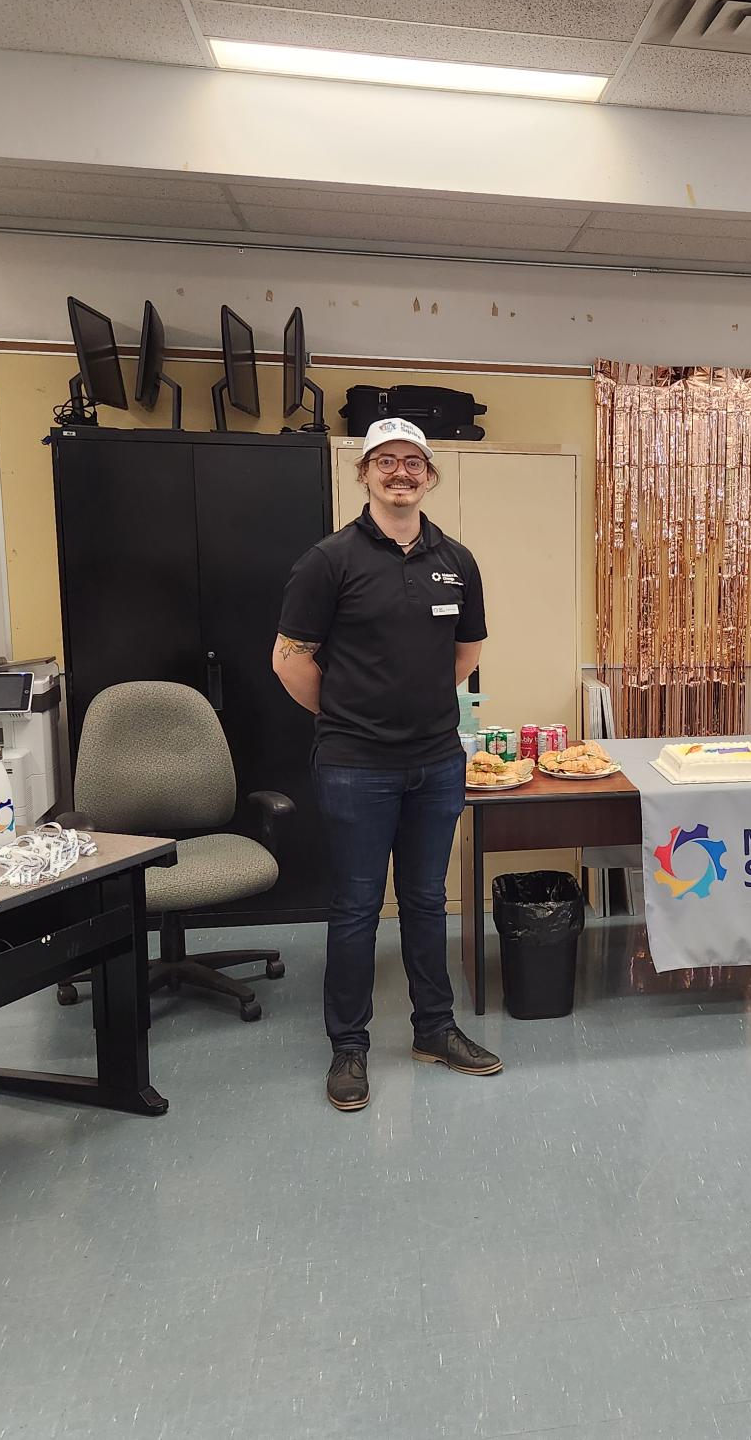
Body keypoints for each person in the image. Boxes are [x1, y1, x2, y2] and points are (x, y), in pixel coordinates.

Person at [274, 417, 503, 1113]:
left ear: (429, 475)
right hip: (355, 766)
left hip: (436, 762)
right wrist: (352, 716)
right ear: (365, 472)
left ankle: (434, 1029)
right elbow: (290, 659)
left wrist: (418, 708)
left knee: (429, 900)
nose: (400, 473)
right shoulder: (329, 560)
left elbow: (466, 653)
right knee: (357, 907)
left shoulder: (455, 560)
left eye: (413, 462)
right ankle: (349, 1046)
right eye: (386, 461)